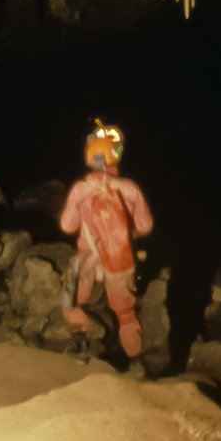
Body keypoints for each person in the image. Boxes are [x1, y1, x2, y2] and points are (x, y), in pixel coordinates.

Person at [59, 120, 156, 366]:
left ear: (89, 158)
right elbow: (145, 227)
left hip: (87, 256)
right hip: (120, 260)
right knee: (125, 313)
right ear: (114, 158)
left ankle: (80, 342)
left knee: (70, 299)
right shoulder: (129, 188)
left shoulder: (80, 189)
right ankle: (135, 362)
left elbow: (67, 226)